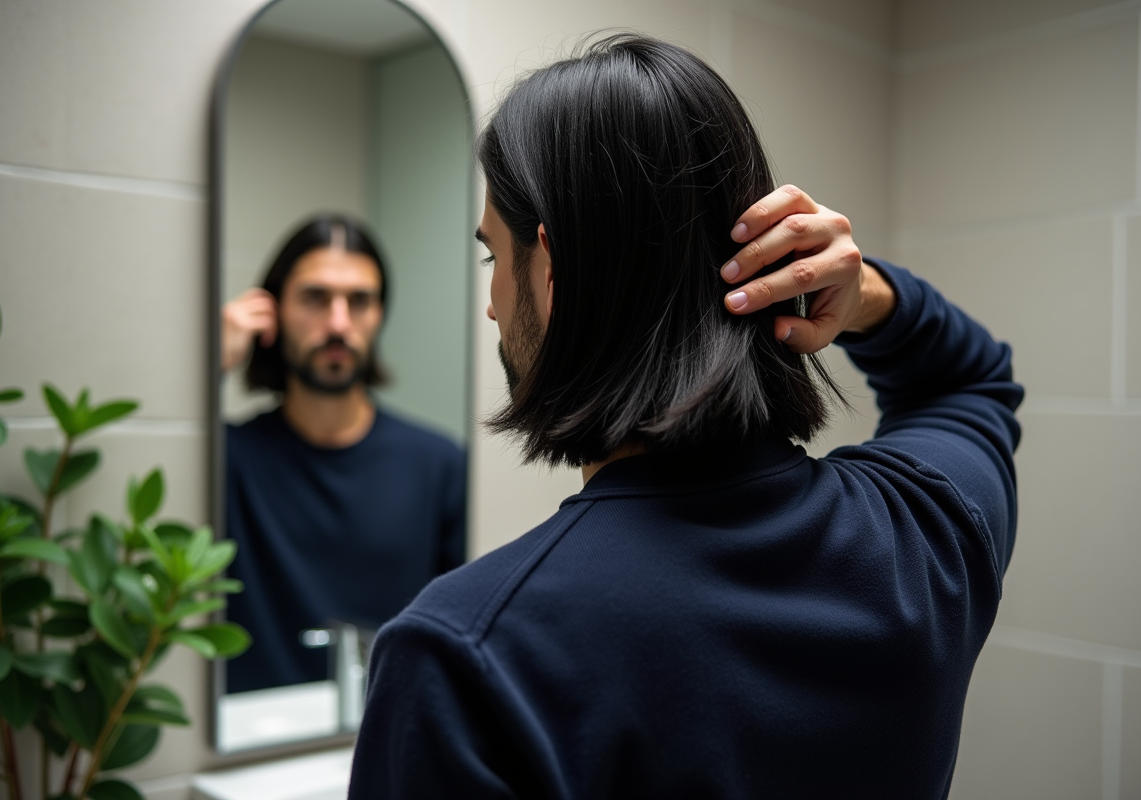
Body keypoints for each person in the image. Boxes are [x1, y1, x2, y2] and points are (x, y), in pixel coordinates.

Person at [348, 35, 1021, 799]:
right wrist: (864, 292)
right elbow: (971, 379)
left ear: (549, 269)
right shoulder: (923, 539)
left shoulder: (468, 659)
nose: (494, 303)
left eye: (492, 258)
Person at [222, 215, 466, 693]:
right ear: (272, 311)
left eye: (359, 301)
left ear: (380, 315)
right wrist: (210, 359)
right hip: (251, 746)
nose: (338, 323)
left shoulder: (439, 465)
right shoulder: (226, 460)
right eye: (315, 298)